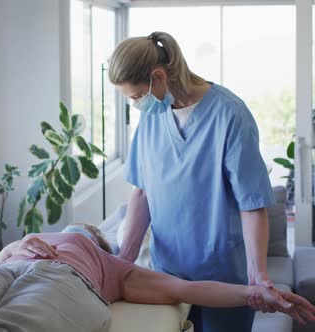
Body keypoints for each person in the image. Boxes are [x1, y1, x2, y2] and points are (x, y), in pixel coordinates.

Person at [108, 31, 282, 332]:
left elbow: (252, 203)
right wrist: (124, 260)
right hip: (167, 277)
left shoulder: (230, 114)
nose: (137, 105)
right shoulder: (152, 117)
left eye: (137, 96)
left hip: (222, 275)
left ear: (159, 76)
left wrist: (258, 275)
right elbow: (142, 193)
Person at [0, 224, 315, 332]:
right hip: (3, 269)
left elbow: (185, 290)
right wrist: (12, 250)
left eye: (87, 230)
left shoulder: (106, 263)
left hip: (65, 282)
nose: (77, 229)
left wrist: (255, 293)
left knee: (18, 320)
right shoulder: (29, 238)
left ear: (97, 239)